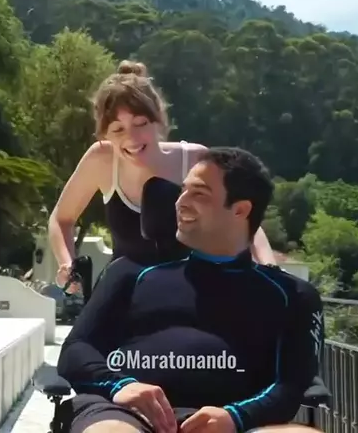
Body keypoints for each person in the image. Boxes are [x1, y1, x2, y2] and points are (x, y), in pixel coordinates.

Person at [57, 146, 325, 433]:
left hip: (235, 422)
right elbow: (75, 349)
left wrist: (235, 417)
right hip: (124, 412)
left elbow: (290, 386)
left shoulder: (293, 296)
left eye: (199, 194)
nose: (180, 202)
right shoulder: (130, 273)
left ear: (240, 210)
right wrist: (120, 385)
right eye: (183, 190)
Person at [48, 61, 276, 289]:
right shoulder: (101, 160)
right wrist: (68, 266)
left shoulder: (195, 161)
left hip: (190, 293)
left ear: (157, 119)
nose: (132, 138)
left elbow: (242, 219)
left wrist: (269, 267)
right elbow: (61, 219)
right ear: (104, 134)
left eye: (140, 124)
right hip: (124, 292)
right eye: (118, 129)